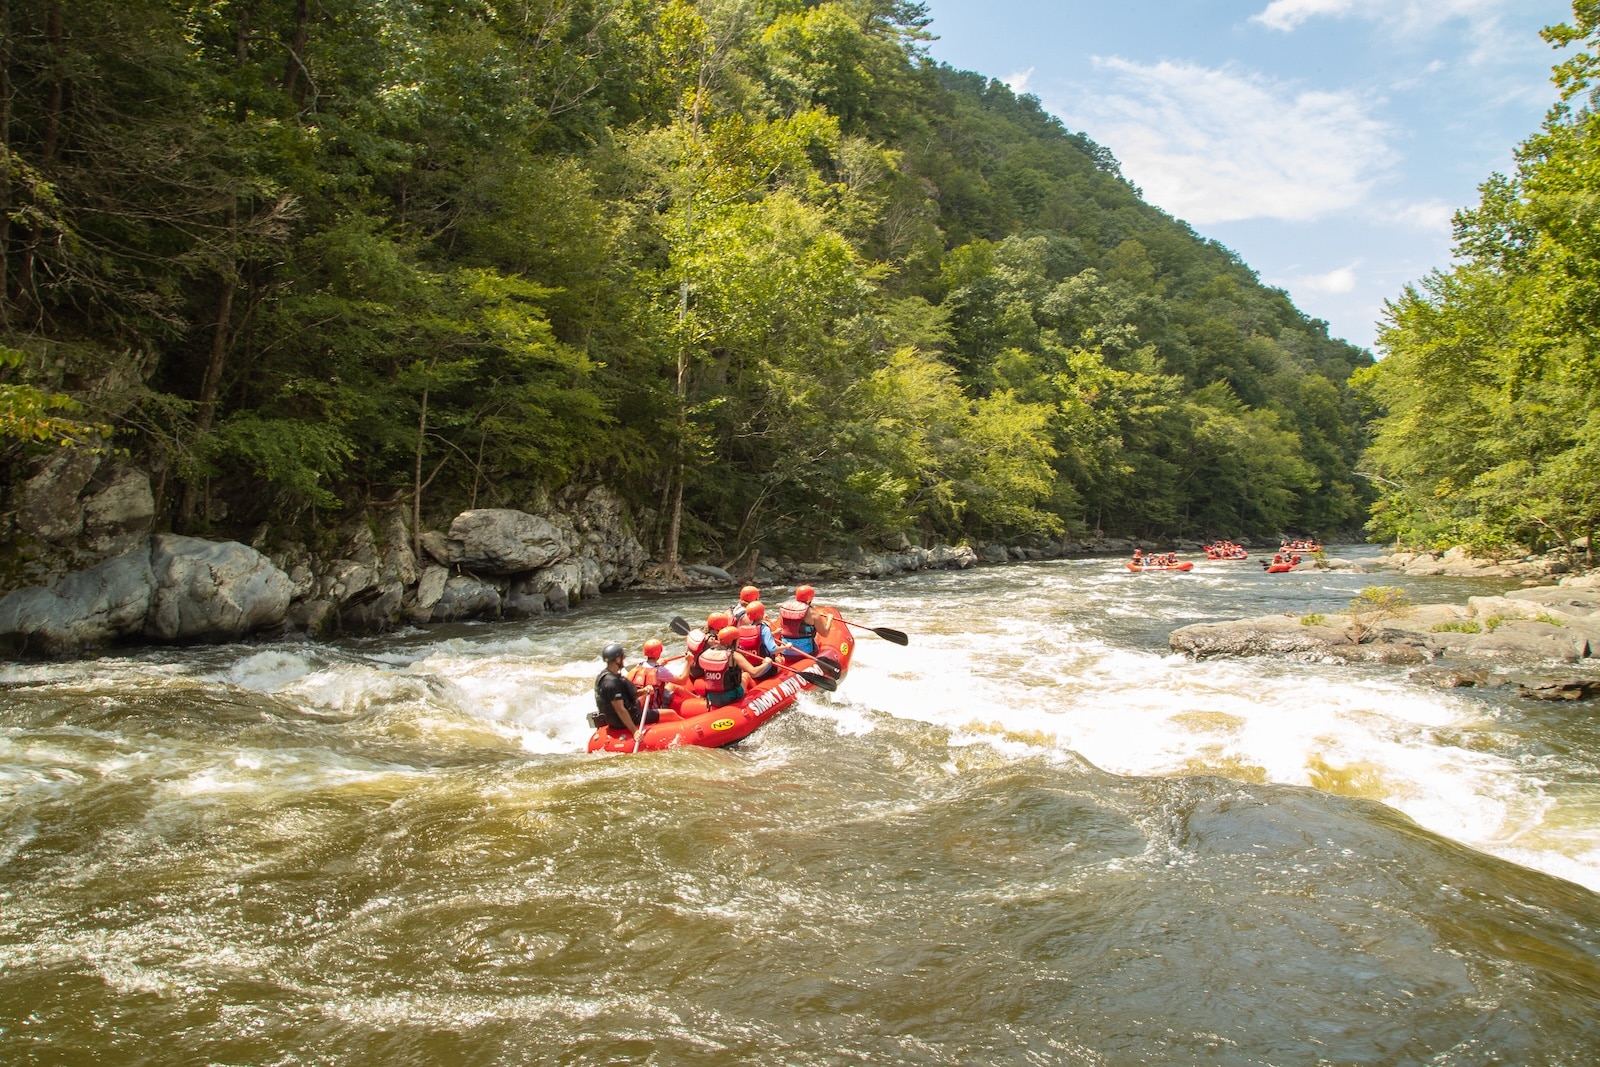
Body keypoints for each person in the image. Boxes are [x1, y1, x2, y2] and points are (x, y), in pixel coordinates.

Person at [593, 642, 657, 735]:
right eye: (622, 658)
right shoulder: (612, 683)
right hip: (625, 720)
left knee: (643, 698)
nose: (624, 660)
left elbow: (627, 696)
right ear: (618, 659)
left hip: (614, 719)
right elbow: (620, 710)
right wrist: (634, 731)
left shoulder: (604, 676)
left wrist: (643, 691)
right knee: (671, 714)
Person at [698, 625, 765, 708]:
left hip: (712, 697)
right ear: (734, 641)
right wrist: (766, 663)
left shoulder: (708, 652)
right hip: (730, 697)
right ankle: (755, 696)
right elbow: (754, 672)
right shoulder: (734, 655)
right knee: (746, 675)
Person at [778, 584, 832, 661]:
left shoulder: (785, 609)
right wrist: (829, 619)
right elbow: (825, 633)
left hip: (784, 651)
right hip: (805, 653)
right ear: (810, 599)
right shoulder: (812, 613)